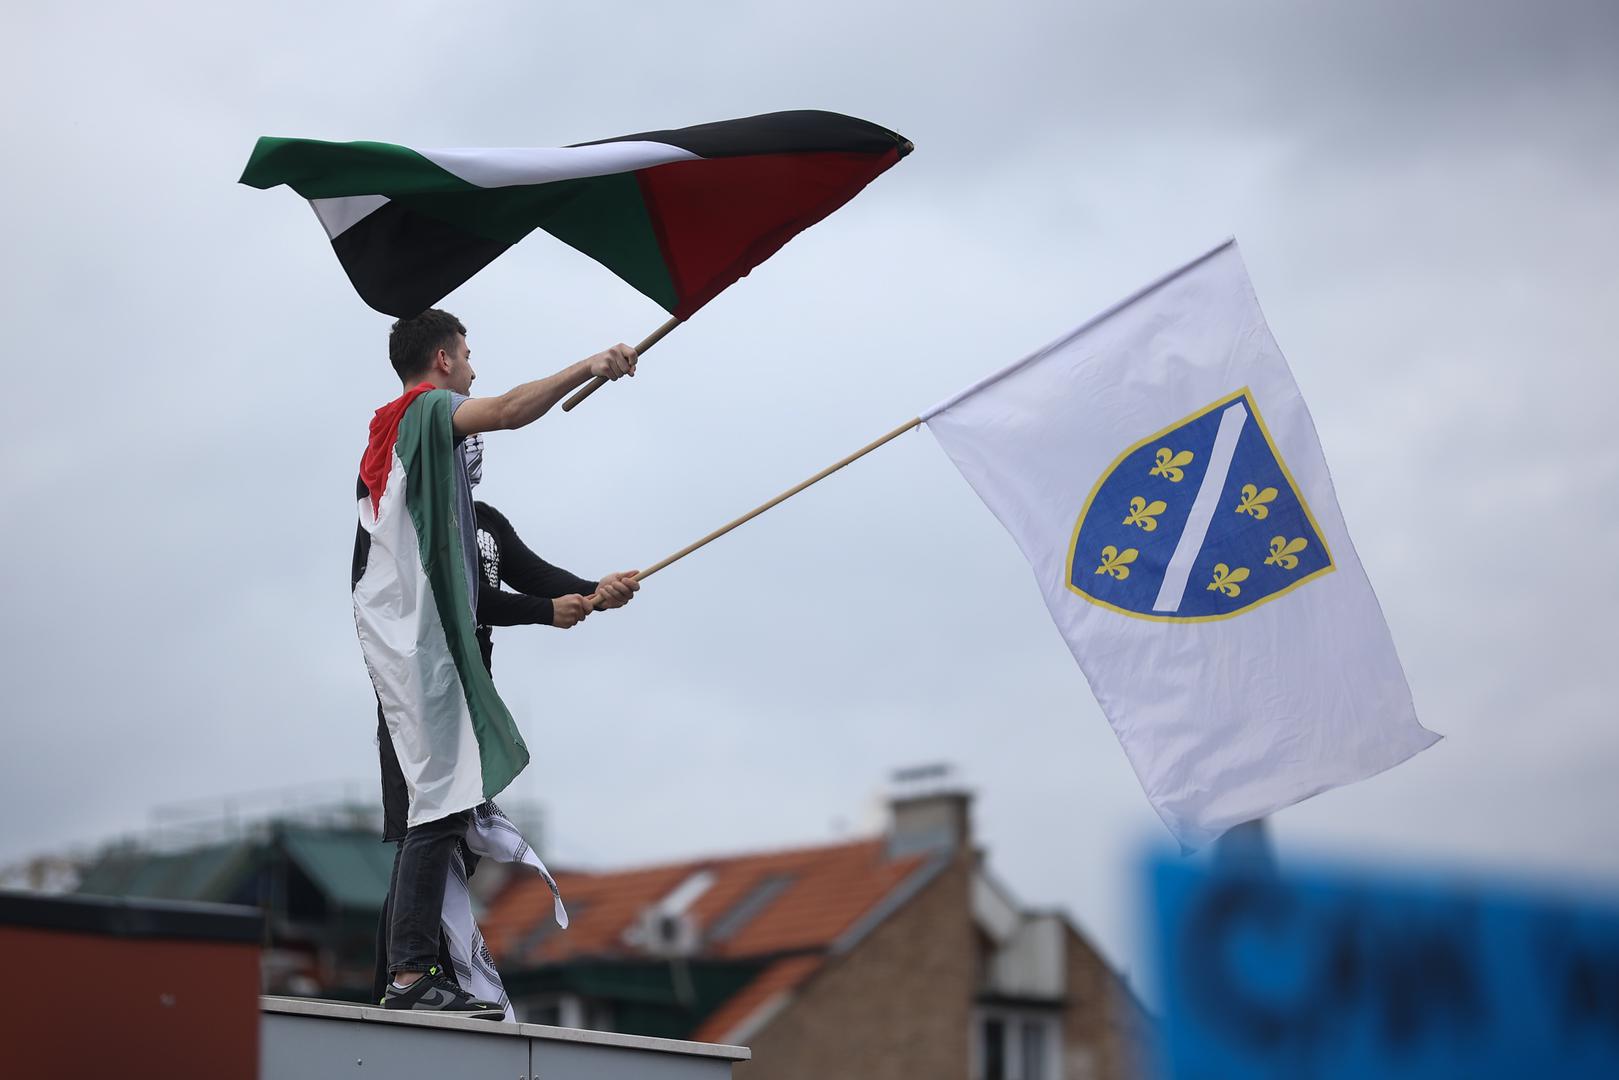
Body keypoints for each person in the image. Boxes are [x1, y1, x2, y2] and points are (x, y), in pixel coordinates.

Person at [353, 308, 637, 1016]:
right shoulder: (419, 414)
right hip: (423, 667)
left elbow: (537, 576)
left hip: (445, 672)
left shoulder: (465, 511)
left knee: (455, 824)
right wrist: (588, 365)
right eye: (469, 356)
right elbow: (508, 410)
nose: (474, 370)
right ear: (445, 362)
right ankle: (409, 974)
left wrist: (598, 592)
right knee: (437, 815)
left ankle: (417, 970)